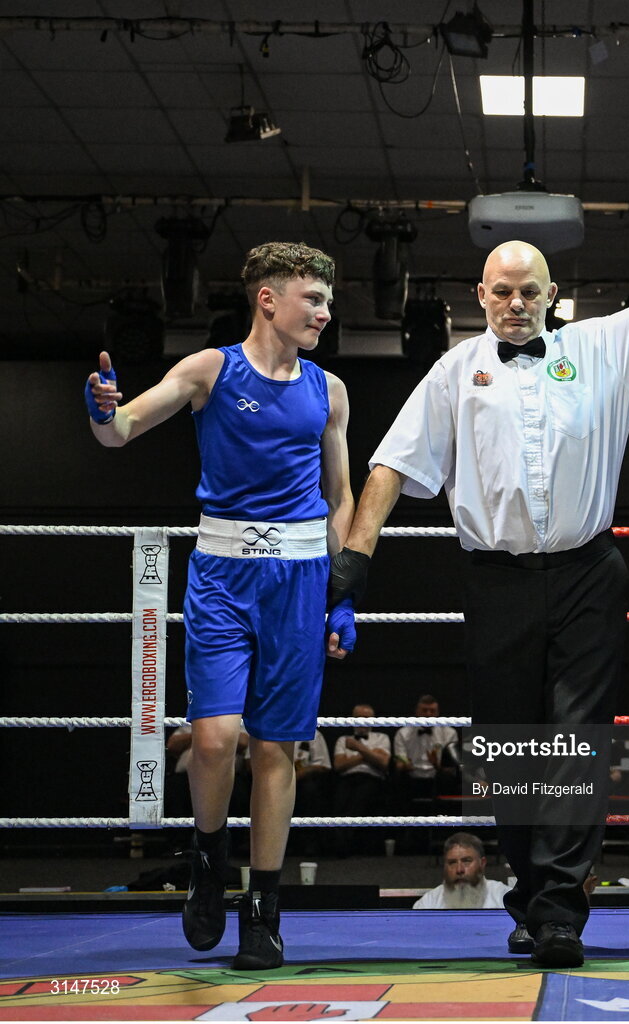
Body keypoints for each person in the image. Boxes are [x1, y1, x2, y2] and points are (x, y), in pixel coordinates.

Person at [326, 179, 629, 966]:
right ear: (480, 294)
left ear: (552, 295)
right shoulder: (455, 369)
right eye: (500, 290)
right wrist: (353, 560)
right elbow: (391, 466)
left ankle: (561, 910)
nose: (514, 302)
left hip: (586, 574)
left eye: (528, 290)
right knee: (508, 749)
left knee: (573, 742)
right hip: (495, 580)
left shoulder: (599, 347)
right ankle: (531, 898)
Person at [84, 241, 357, 971]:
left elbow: (341, 497)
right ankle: (207, 856)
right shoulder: (210, 370)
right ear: (268, 298)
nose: (326, 314)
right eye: (314, 299)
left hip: (299, 580)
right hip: (223, 576)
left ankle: (263, 910)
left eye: (328, 301)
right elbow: (122, 431)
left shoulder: (328, 390)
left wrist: (341, 591)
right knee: (213, 738)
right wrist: (102, 410)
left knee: (277, 748)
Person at [332, 703, 392, 856]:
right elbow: (339, 765)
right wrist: (369, 755)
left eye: (367, 718)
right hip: (347, 778)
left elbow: (383, 764)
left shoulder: (382, 738)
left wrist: (357, 749)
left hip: (372, 779)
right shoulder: (343, 739)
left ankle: (343, 840)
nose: (363, 721)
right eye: (359, 718)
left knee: (363, 792)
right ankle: (340, 839)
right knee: (341, 796)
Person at [412, 832, 511, 910]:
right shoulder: (428, 903)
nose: (459, 870)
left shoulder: (503, 898)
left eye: (467, 861)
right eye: (452, 862)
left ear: (482, 863)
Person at [393, 695, 460, 804]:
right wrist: (404, 765)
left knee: (447, 778)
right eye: (424, 710)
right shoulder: (403, 733)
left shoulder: (449, 733)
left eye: (432, 711)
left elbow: (452, 769)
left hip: (437, 777)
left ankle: (441, 818)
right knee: (399, 779)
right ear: (417, 712)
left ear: (437, 714)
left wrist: (437, 765)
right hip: (412, 776)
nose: (428, 714)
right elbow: (399, 762)